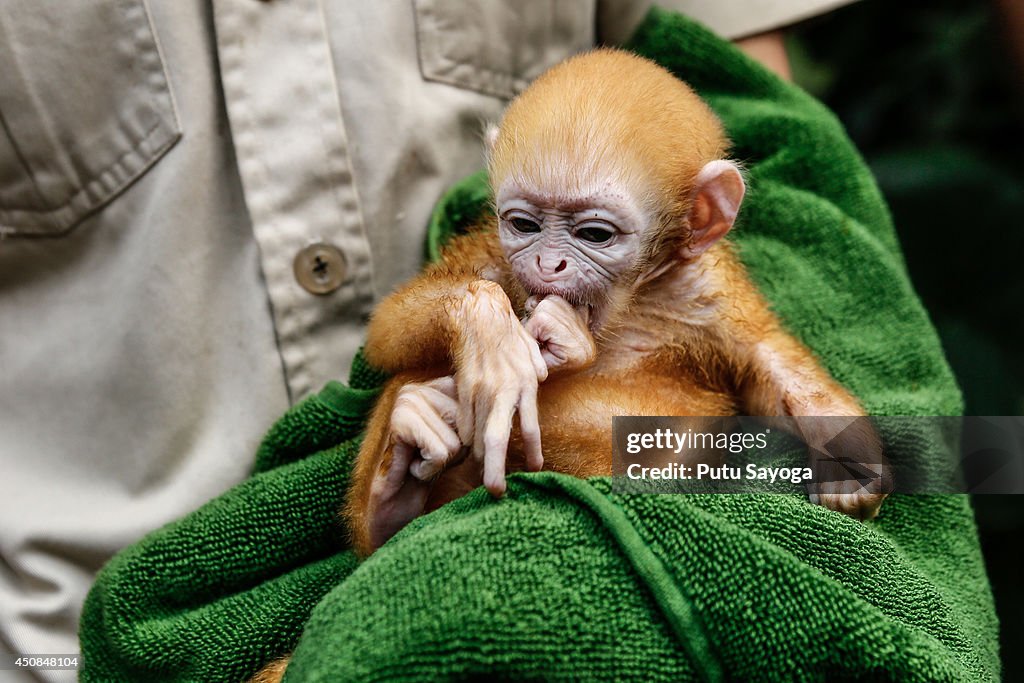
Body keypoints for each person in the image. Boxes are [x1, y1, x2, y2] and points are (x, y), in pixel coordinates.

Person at [0, 2, 855, 680]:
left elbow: (833, 420)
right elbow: (392, 335)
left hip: (628, 520)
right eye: (524, 223)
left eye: (594, 234)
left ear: (699, 219)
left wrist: (859, 450)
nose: (548, 267)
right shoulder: (495, 266)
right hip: (62, 621)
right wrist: (475, 316)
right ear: (495, 184)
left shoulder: (708, 287)